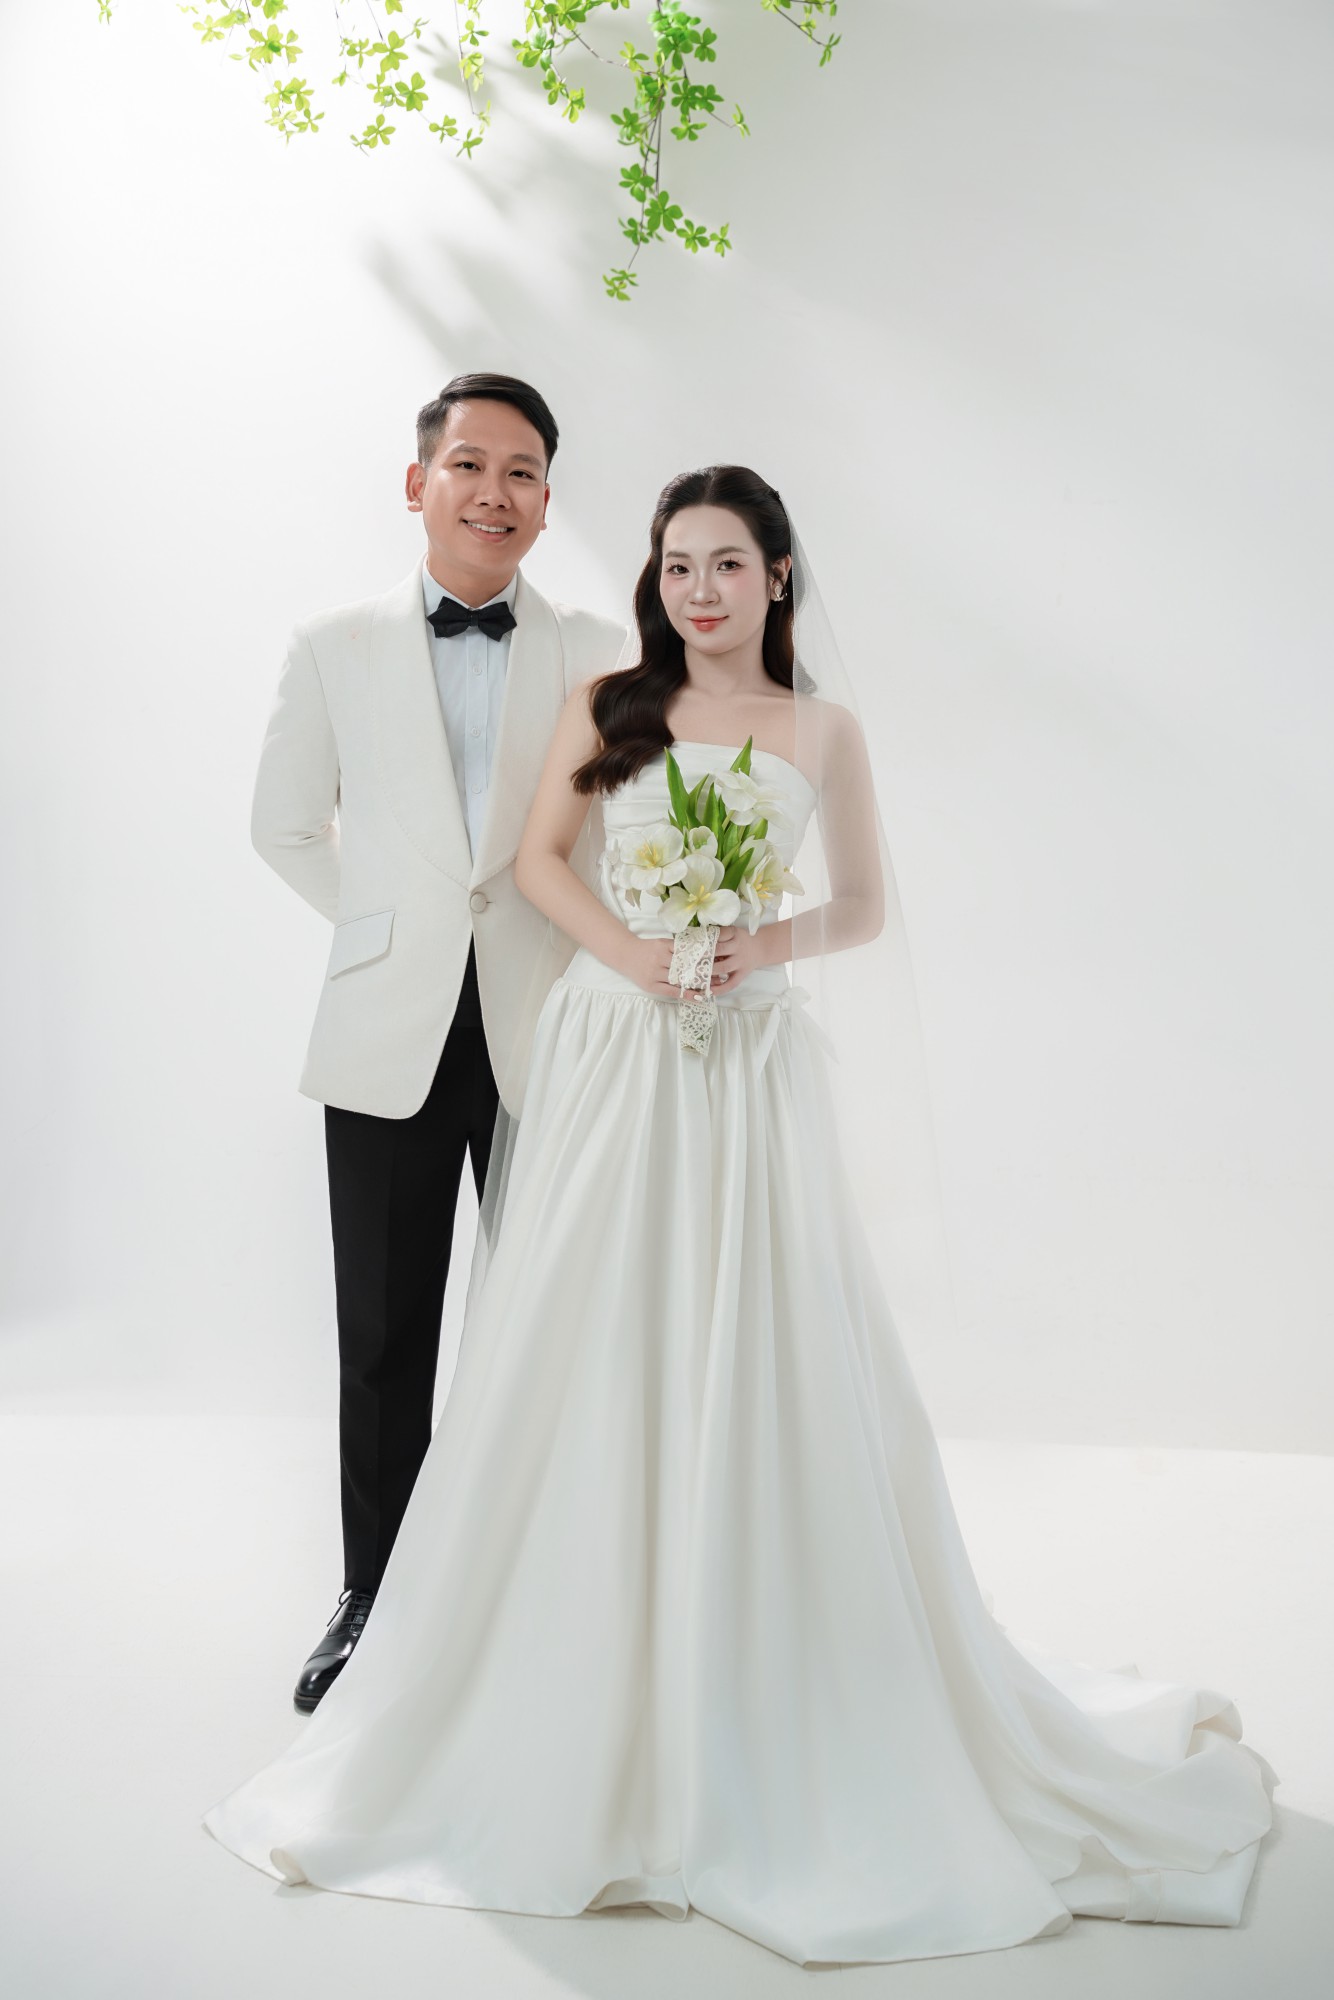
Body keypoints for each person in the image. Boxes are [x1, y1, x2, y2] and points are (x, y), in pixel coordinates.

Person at [207, 466, 1275, 1968]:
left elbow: (862, 909)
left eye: (726, 564)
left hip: (749, 1062)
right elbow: (539, 865)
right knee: (590, 1339)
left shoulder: (820, 731)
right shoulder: (610, 701)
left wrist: (745, 943)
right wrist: (639, 956)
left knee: (756, 1335)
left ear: (778, 576)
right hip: (614, 1050)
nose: (698, 591)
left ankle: (768, 1656)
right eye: (675, 565)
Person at [248, 372, 623, 1712]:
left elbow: (623, 829)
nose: (494, 493)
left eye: (523, 472)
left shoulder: (595, 649)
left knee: (558, 1325)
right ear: (420, 484)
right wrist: (396, 930)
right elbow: (284, 825)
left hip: (556, 1031)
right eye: (470, 465)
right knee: (385, 1333)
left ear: (546, 501)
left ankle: (554, 1596)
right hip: (388, 1030)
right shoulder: (332, 645)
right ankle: (375, 1600)